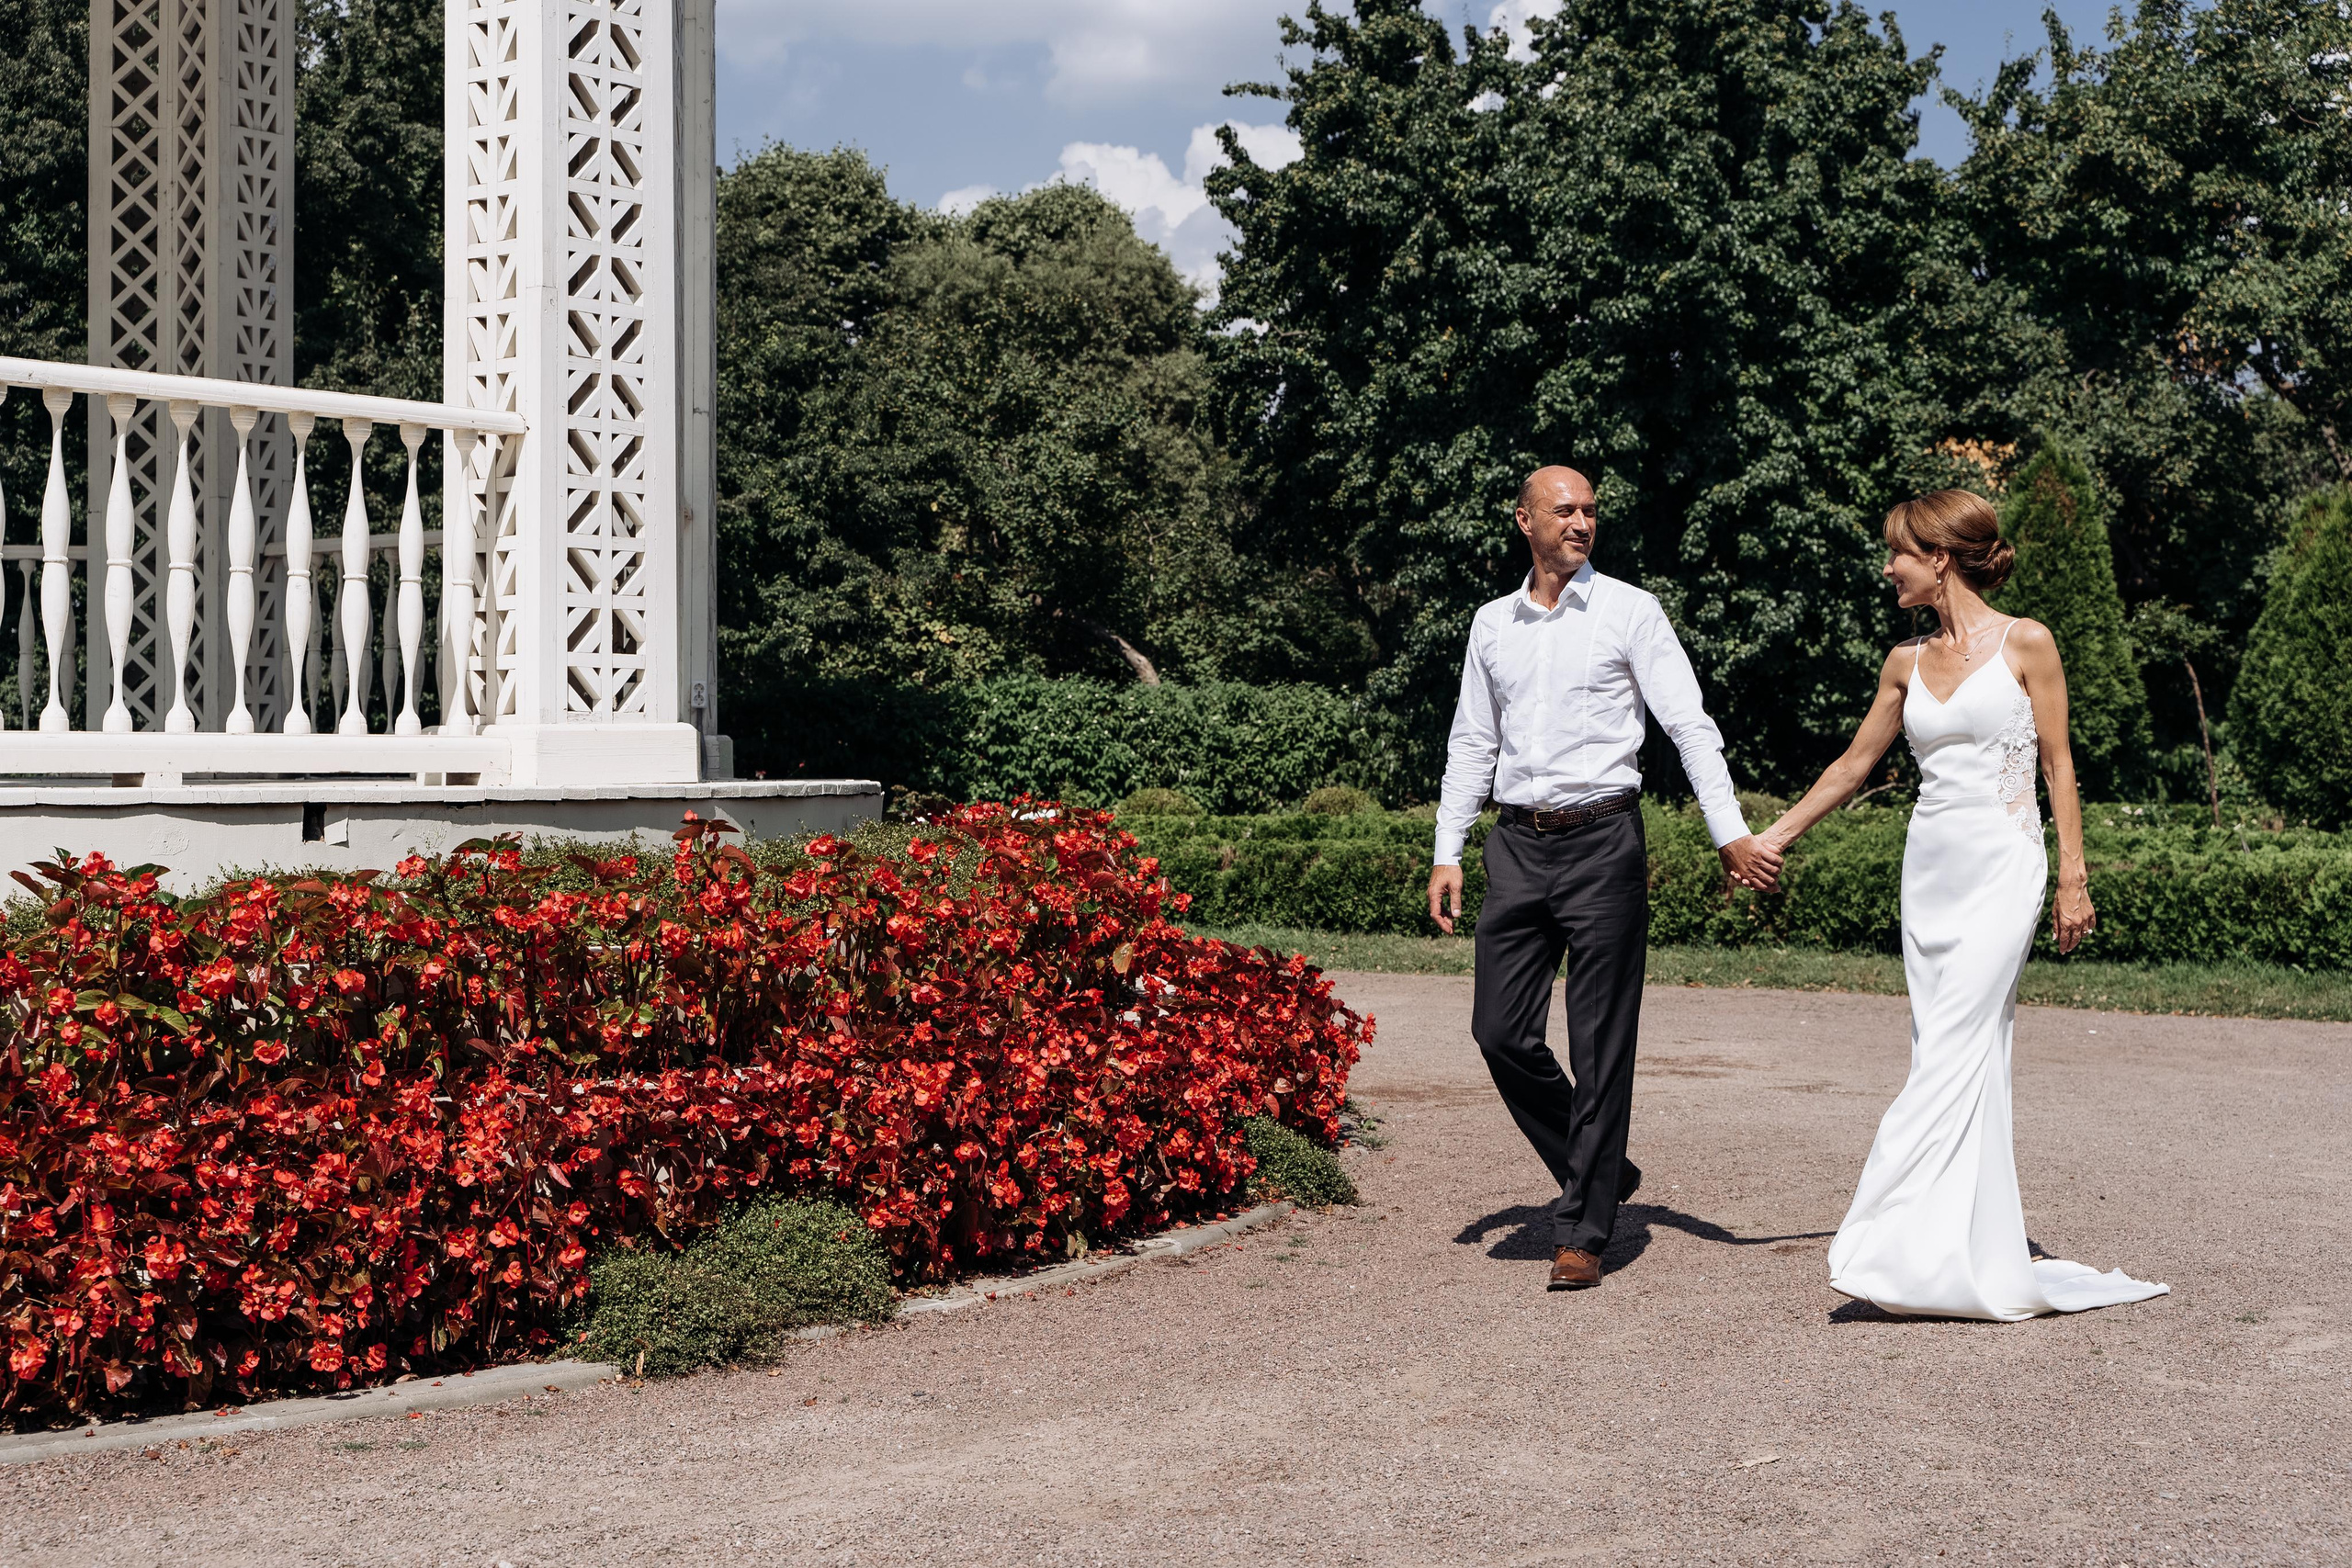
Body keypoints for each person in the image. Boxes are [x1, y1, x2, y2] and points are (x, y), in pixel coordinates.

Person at [1757, 489, 2168, 1320]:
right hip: (1930, 876)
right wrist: (1774, 836)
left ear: (1938, 557)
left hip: (2003, 868)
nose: (1888, 567)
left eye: (1898, 553)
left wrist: (2073, 875)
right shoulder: (1903, 663)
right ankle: (1956, 1251)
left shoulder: (2028, 642)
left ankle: (1876, 1234)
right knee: (1952, 1050)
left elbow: (2059, 765)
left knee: (1952, 1046)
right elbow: (1850, 767)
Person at [1427, 466, 1783, 1292]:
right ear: (1525, 521)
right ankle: (1601, 1163)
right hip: (1516, 846)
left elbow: (1689, 725)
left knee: (1599, 1043)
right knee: (1499, 1032)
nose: (1582, 522)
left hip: (1603, 844)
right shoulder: (1491, 624)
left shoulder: (1630, 610)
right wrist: (1448, 848)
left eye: (1590, 510)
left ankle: (1584, 1227)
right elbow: (1470, 744)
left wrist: (1727, 829)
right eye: (1564, 510)